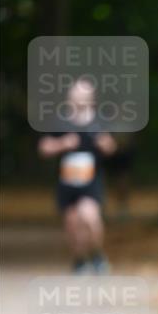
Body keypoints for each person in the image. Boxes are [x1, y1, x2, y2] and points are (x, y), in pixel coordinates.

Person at [37, 77, 117, 273]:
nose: (80, 98)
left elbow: (112, 147)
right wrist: (62, 144)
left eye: (84, 95)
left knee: (90, 217)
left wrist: (105, 144)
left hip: (91, 181)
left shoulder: (99, 121)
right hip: (67, 182)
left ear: (92, 98)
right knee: (72, 224)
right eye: (77, 94)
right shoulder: (60, 121)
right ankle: (79, 259)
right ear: (70, 97)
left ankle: (97, 255)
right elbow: (43, 147)